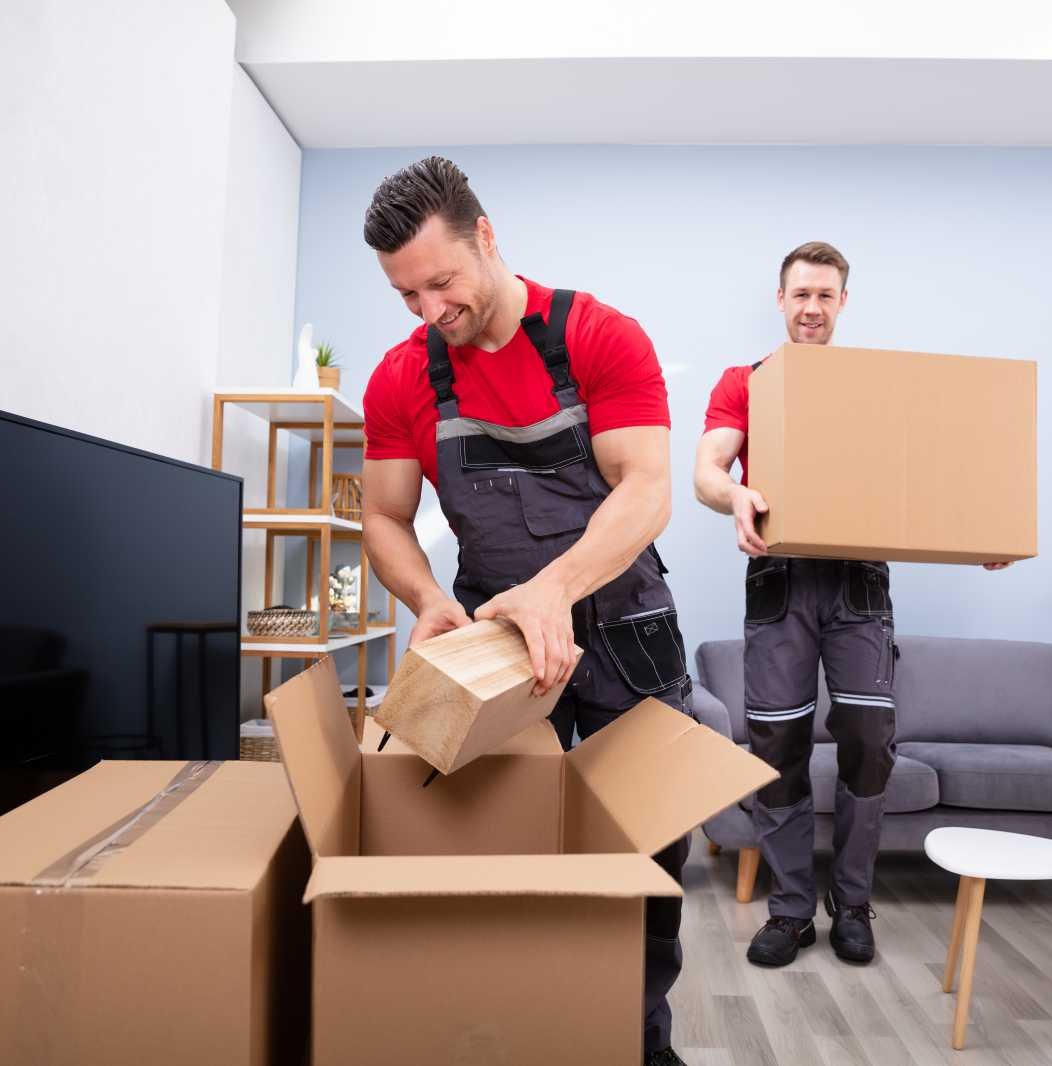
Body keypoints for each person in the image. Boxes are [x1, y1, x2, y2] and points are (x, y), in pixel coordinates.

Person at [359, 156, 694, 1066]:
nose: (430, 312)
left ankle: (637, 1044)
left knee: (644, 855)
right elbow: (382, 518)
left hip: (623, 628)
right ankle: (506, 1031)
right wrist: (428, 600)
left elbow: (647, 489)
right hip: (491, 641)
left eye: (442, 283)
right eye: (407, 295)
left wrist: (555, 588)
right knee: (486, 841)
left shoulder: (597, 336)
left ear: (488, 239)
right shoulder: (400, 379)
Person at [693, 240, 1012, 967]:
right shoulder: (746, 381)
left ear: (842, 302)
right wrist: (734, 492)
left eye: (825, 295)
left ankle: (853, 901)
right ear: (780, 299)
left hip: (858, 584)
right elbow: (707, 470)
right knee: (777, 748)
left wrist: (978, 536)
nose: (811, 308)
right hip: (781, 580)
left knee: (868, 742)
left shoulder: (874, 387)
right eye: (800, 294)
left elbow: (921, 484)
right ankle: (790, 909)